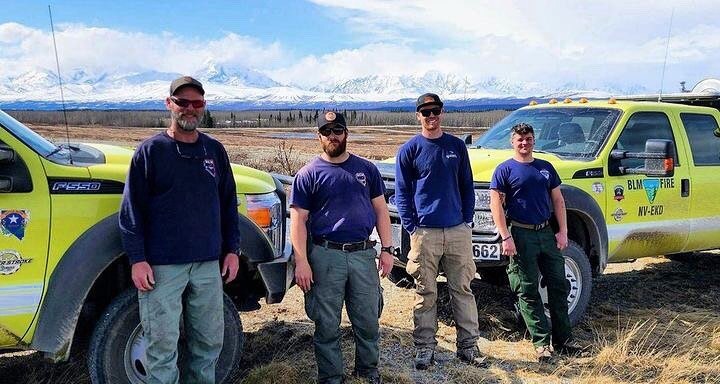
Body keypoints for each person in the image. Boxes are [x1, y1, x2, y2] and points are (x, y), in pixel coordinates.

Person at [119, 76, 240, 383]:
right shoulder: (150, 152)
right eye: (182, 102)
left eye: (196, 103)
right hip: (161, 268)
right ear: (169, 104)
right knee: (161, 346)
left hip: (207, 265)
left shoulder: (213, 151)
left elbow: (228, 203)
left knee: (209, 343)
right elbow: (132, 211)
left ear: (203, 107)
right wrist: (137, 259)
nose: (190, 109)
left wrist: (232, 251)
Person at [290, 111, 394, 384]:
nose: (332, 137)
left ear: (346, 133)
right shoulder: (308, 174)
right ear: (319, 136)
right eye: (326, 132)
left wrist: (387, 249)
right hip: (325, 257)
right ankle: (331, 377)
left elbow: (381, 211)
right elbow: (298, 219)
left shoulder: (367, 169)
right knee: (326, 324)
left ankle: (368, 371)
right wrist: (301, 261)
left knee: (369, 320)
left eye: (337, 131)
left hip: (362, 255)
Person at [395, 93, 484, 369]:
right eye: (425, 112)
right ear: (418, 116)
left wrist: (466, 220)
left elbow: (467, 186)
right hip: (425, 234)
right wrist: (412, 227)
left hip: (457, 230)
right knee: (425, 291)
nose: (430, 117)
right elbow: (402, 194)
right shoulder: (409, 150)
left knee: (463, 289)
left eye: (435, 111)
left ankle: (468, 346)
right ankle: (424, 348)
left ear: (442, 113)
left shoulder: (456, 146)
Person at [489, 122, 581, 363]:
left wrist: (563, 231)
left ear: (533, 141)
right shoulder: (504, 170)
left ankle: (564, 340)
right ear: (512, 141)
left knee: (559, 286)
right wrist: (505, 237)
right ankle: (542, 344)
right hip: (520, 235)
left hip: (546, 233)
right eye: (520, 139)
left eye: (528, 138)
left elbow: (558, 201)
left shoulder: (545, 168)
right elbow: (495, 205)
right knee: (528, 289)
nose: (524, 143)